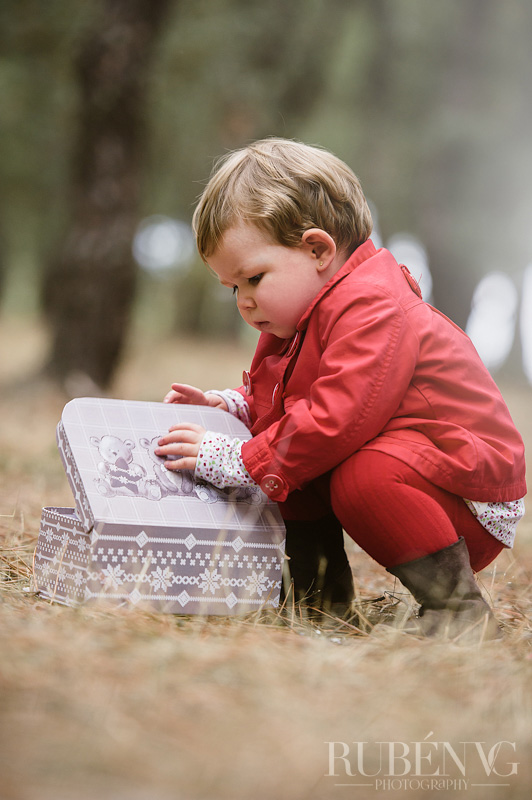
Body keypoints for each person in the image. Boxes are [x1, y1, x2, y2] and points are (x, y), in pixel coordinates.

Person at [155, 137, 526, 639]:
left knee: (350, 470)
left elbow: (338, 417)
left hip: (468, 493)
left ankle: (459, 612)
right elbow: (288, 400)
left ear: (317, 250)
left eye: (253, 278)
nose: (243, 301)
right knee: (293, 460)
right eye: (232, 289)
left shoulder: (373, 307)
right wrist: (233, 406)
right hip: (416, 466)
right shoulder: (292, 322)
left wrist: (238, 460)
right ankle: (318, 601)